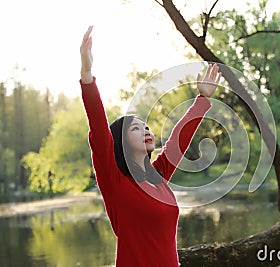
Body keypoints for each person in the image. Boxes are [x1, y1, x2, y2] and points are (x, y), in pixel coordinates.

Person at [79, 25, 221, 267]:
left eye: (145, 126)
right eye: (135, 128)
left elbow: (178, 141)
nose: (145, 129)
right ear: (120, 143)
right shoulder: (115, 182)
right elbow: (99, 129)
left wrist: (203, 99)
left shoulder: (158, 176)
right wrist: (87, 73)